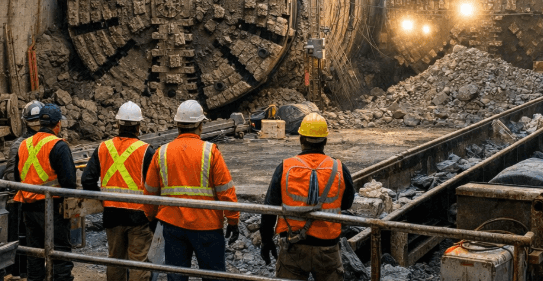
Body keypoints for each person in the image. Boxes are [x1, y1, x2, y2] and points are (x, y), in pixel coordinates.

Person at [143, 100, 239, 281]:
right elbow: (225, 190)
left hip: (173, 225)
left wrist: (150, 218)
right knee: (213, 276)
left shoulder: (162, 152)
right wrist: (233, 220)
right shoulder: (210, 152)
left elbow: (150, 192)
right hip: (207, 226)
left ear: (177, 125)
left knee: (176, 276)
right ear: (200, 125)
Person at [259, 112, 356, 281]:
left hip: (293, 245)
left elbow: (269, 209)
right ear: (325, 141)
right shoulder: (339, 168)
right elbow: (347, 203)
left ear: (301, 139)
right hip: (327, 248)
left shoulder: (285, 167)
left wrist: (266, 241)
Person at [82, 101, 156, 281]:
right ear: (138, 126)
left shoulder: (103, 147)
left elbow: (87, 180)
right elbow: (155, 186)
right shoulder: (146, 151)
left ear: (118, 124)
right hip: (139, 216)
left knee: (115, 260)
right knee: (138, 262)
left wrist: (102, 199)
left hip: (112, 214)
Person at [15, 103, 77, 281]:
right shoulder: (58, 145)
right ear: (58, 124)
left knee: (34, 254)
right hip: (52, 208)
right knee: (60, 253)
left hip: (28, 207)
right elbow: (69, 182)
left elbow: (17, 177)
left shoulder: (24, 144)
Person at [4, 100, 44, 182]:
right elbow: (11, 175)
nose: (36, 123)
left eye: (37, 120)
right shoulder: (18, 146)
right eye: (33, 121)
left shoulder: (18, 145)